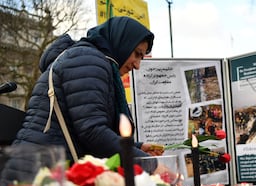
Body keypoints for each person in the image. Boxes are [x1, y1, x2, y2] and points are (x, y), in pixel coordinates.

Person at [11, 16, 163, 168]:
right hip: (41, 173)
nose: (137, 65)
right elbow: (93, 132)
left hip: (42, 166)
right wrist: (150, 164)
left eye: (141, 58)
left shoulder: (90, 60)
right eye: (137, 54)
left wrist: (137, 148)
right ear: (122, 42)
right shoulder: (89, 60)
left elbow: (82, 128)